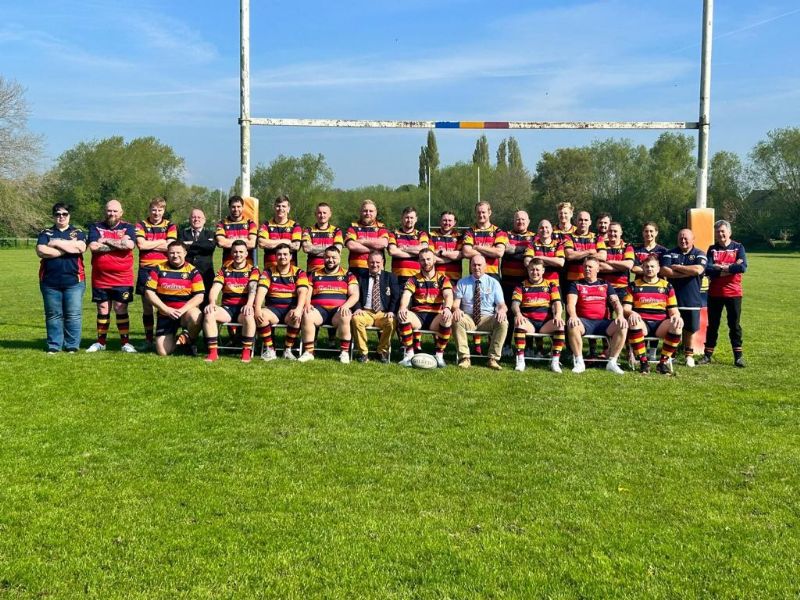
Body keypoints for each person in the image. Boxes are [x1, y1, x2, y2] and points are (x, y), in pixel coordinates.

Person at [86, 199, 136, 353]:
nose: (112, 213)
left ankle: (125, 343)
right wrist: (118, 244)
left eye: (115, 211)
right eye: (109, 210)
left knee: (121, 308)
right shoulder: (95, 226)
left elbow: (128, 245)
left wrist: (106, 240)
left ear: (121, 213)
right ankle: (101, 342)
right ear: (105, 211)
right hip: (101, 277)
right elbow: (93, 246)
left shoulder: (128, 227)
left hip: (123, 277)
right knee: (102, 308)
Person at [36, 203, 86, 354]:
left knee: (73, 314)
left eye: (64, 214)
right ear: (54, 216)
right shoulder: (46, 232)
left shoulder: (78, 232)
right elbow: (41, 250)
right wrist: (68, 249)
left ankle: (72, 345)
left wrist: (57, 243)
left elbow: (81, 248)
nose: (61, 217)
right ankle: (54, 345)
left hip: (74, 281)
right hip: (49, 281)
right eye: (58, 214)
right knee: (53, 315)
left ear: (69, 215)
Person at [623, 254, 684, 375]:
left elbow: (673, 309)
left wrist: (677, 316)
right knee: (633, 322)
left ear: (658, 268)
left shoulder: (666, 286)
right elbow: (625, 308)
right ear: (643, 268)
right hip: (642, 322)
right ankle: (643, 363)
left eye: (652, 266)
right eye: (646, 267)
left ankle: (662, 363)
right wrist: (631, 313)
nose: (649, 269)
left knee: (677, 325)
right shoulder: (634, 285)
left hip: (660, 324)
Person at [565, 256, 627, 375]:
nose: (587, 269)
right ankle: (579, 362)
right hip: (584, 322)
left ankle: (612, 362)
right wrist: (573, 316)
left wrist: (620, 315)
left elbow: (616, 302)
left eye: (590, 267)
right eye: (585, 267)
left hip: (602, 323)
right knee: (572, 324)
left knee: (622, 325)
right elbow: (570, 303)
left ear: (598, 269)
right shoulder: (576, 284)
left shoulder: (605, 284)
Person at [298, 246, 359, 363]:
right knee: (307, 314)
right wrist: (307, 304)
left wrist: (346, 306)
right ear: (323, 258)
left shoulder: (348, 274)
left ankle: (344, 352)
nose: (330, 260)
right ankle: (309, 352)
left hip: (338, 310)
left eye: (334, 258)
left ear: (339, 258)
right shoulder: (314, 274)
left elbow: (355, 294)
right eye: (327, 257)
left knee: (345, 315)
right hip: (319, 310)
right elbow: (307, 292)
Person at [461, 201, 508, 354]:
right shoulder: (470, 231)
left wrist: (477, 247)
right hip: (474, 274)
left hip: (492, 275)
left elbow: (499, 252)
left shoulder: (498, 231)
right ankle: (477, 346)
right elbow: (466, 253)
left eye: (484, 212)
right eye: (478, 212)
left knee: (493, 311)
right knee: (474, 305)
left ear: (490, 212)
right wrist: (489, 250)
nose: (481, 215)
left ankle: (491, 345)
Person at [202, 240, 259, 363]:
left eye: (241, 252)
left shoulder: (253, 270)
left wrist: (249, 304)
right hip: (227, 308)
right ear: (231, 253)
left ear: (246, 254)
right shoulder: (224, 270)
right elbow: (215, 288)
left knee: (249, 315)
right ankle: (213, 353)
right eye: (235, 252)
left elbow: (253, 288)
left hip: (244, 308)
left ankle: (246, 352)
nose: (238, 254)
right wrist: (212, 302)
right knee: (209, 313)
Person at [144, 241, 204, 356]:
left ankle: (188, 339)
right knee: (163, 352)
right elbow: (149, 292)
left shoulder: (192, 271)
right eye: (171, 253)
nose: (175, 255)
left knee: (196, 316)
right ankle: (180, 340)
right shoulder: (158, 269)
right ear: (167, 253)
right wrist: (166, 309)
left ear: (185, 253)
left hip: (184, 313)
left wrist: (182, 310)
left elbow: (200, 296)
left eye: (178, 252)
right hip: (165, 314)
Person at [701, 220, 748, 367]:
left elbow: (742, 267)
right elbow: (707, 269)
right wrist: (729, 268)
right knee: (713, 325)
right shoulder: (712, 249)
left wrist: (720, 268)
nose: (720, 234)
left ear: (729, 232)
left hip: (734, 293)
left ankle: (738, 357)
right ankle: (707, 355)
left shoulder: (738, 247)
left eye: (723, 231)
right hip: (714, 293)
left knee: (734, 325)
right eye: (717, 232)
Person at [396, 248, 453, 368]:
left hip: (435, 317)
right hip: (418, 316)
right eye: (422, 260)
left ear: (434, 260)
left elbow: (448, 295)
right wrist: (402, 307)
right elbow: (406, 294)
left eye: (428, 259)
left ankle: (439, 355)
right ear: (419, 261)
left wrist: (447, 308)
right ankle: (409, 355)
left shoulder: (443, 279)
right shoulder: (413, 279)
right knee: (403, 316)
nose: (426, 262)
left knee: (447, 317)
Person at [135, 197, 178, 350]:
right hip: (145, 269)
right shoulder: (141, 224)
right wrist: (161, 243)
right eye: (154, 209)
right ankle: (148, 339)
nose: (156, 213)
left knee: (164, 304)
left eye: (160, 210)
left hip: (164, 270)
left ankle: (164, 335)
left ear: (164, 211)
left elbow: (170, 246)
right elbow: (141, 244)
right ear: (149, 210)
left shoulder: (170, 225)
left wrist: (150, 244)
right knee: (147, 306)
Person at [660, 229, 707, 367]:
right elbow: (664, 271)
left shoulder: (699, 253)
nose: (683, 240)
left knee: (690, 329)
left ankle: (689, 355)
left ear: (693, 239)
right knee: (672, 326)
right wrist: (687, 272)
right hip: (672, 299)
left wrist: (677, 268)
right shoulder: (670, 253)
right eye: (681, 238)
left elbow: (698, 270)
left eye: (686, 238)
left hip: (691, 298)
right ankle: (671, 353)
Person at [254, 243, 310, 361]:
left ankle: (287, 350)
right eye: (279, 254)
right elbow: (261, 290)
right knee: (261, 315)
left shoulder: (299, 272)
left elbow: (302, 292)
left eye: (285, 254)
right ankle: (270, 350)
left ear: (291, 257)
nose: (282, 257)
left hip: (291, 308)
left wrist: (299, 309)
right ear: (275, 256)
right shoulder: (267, 272)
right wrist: (257, 308)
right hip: (273, 309)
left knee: (296, 316)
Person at [452, 255, 509, 370]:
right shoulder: (462, 282)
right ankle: (464, 358)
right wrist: (456, 309)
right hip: (468, 317)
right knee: (456, 319)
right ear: (470, 266)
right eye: (474, 265)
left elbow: (502, 305)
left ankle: (493, 359)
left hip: (487, 318)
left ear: (485, 267)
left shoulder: (494, 283)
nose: (476, 267)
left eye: (479, 265)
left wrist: (502, 311)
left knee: (503, 321)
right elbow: (455, 304)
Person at [510, 259, 565, 373]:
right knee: (518, 322)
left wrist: (558, 315)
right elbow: (515, 304)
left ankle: (554, 362)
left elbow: (557, 303)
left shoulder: (551, 285)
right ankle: (520, 360)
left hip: (545, 323)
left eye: (537, 270)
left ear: (543, 270)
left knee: (560, 325)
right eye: (532, 269)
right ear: (528, 270)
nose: (534, 272)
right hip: (529, 322)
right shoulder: (521, 285)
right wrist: (518, 314)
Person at [352, 250, 401, 363]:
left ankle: (382, 351)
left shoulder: (390, 277)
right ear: (367, 262)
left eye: (377, 262)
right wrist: (358, 308)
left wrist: (392, 311)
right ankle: (363, 353)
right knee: (356, 319)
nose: (375, 265)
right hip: (366, 311)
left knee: (391, 321)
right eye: (372, 262)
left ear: (383, 262)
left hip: (383, 313)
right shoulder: (360, 277)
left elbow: (395, 296)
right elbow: (355, 294)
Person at [180, 208, 216, 305]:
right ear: (189, 219)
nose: (196, 219)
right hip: (187, 274)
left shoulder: (210, 233)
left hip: (206, 274)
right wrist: (201, 245)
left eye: (199, 217)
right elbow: (181, 248)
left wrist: (190, 244)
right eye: (194, 217)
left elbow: (210, 247)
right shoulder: (182, 233)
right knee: (187, 303)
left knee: (206, 304)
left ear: (204, 220)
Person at [345, 199, 389, 278]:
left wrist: (362, 241)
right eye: (365, 211)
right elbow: (352, 246)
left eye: (371, 211)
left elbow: (383, 243)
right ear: (360, 212)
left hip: (376, 270)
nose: (368, 213)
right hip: (355, 271)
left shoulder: (381, 227)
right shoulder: (353, 227)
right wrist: (374, 249)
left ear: (375, 213)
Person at [388, 206, 429, 289]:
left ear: (416, 219)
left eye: (411, 218)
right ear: (402, 218)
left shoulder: (421, 234)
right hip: (397, 278)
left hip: (417, 278)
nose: (409, 220)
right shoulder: (394, 234)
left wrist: (404, 248)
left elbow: (424, 251)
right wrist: (416, 253)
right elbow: (392, 251)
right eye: (407, 217)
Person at [257, 194, 303, 270]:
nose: (280, 208)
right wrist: (286, 241)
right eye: (278, 206)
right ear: (274, 208)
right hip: (270, 270)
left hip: (290, 271)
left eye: (283, 206)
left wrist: (271, 243)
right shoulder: (266, 225)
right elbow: (262, 243)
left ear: (288, 209)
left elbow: (296, 246)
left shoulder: (295, 226)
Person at [501, 209, 535, 307]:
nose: (520, 222)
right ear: (514, 221)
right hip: (507, 283)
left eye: (523, 219)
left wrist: (514, 250)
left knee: (523, 312)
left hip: (525, 283)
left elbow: (534, 251)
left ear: (528, 221)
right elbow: (506, 249)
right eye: (518, 219)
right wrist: (525, 250)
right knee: (507, 313)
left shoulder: (534, 237)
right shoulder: (505, 235)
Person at [302, 202, 343, 273]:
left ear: (330, 214)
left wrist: (314, 249)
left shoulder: (336, 231)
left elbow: (337, 250)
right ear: (315, 214)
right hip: (313, 272)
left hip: (331, 272)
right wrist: (330, 249)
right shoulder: (308, 230)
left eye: (324, 213)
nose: (322, 215)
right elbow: (307, 248)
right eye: (319, 213)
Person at [216, 195, 257, 265]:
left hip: (247, 266)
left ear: (243, 207)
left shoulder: (250, 223)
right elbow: (221, 243)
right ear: (229, 208)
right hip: (228, 266)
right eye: (233, 207)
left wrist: (229, 241)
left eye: (238, 206)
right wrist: (244, 240)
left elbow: (252, 244)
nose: (236, 209)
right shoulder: (222, 223)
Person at [599, 222, 635, 296]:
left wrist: (609, 262)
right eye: (610, 231)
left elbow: (628, 265)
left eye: (615, 231)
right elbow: (599, 266)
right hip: (602, 287)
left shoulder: (627, 247)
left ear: (621, 233)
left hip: (622, 288)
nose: (612, 233)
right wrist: (621, 267)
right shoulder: (600, 246)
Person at [429, 210, 463, 284]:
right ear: (440, 221)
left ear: (454, 222)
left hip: (455, 279)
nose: (447, 223)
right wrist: (452, 258)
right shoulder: (431, 236)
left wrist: (441, 253)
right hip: (435, 278)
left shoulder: (459, 237)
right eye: (444, 220)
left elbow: (460, 255)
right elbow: (430, 257)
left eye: (450, 220)